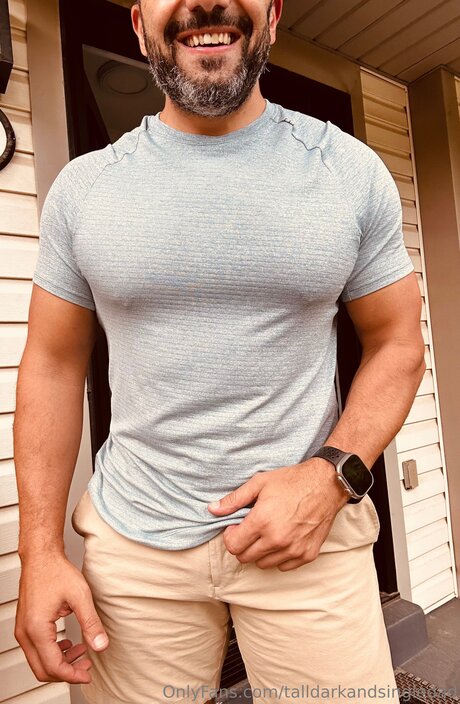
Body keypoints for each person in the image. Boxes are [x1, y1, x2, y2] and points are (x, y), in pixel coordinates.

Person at [13, 0, 425, 702]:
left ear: (273, 15)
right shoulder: (85, 189)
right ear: (139, 23)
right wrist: (40, 553)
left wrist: (332, 477)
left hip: (312, 539)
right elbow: (51, 365)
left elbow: (397, 342)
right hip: (134, 548)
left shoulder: (347, 170)